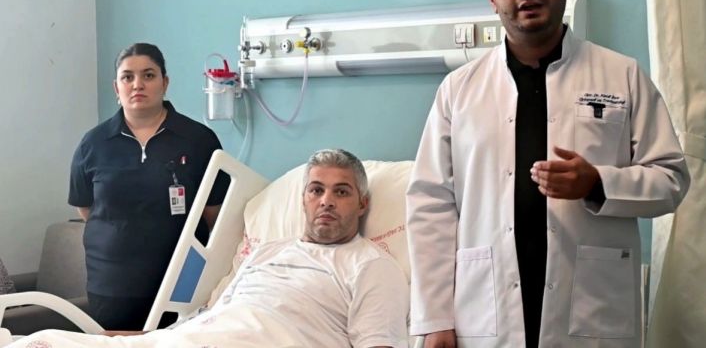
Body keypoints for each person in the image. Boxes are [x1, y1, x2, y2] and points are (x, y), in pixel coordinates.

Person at [406, 0, 690, 348]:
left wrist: (597, 183)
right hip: (486, 309)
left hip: (592, 307)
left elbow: (671, 180)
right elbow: (430, 204)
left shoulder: (622, 75)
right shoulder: (458, 90)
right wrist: (434, 318)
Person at [8, 149, 409, 348]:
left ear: (362, 204)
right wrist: (125, 339)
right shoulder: (267, 252)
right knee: (43, 341)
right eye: (316, 190)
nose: (326, 201)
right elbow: (208, 322)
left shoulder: (371, 266)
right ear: (302, 200)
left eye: (342, 192)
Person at [68, 43, 229, 330]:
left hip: (182, 282)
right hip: (112, 286)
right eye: (127, 77)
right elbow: (87, 209)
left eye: (148, 75)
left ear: (164, 83)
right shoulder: (93, 144)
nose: (137, 84)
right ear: (116, 88)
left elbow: (215, 214)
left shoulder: (198, 140)